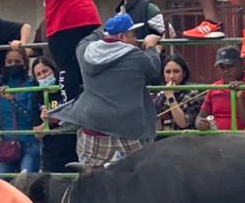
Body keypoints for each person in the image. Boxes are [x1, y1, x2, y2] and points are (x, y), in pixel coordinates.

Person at [28, 0, 102, 175]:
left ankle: (70, 114)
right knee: (85, 68)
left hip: (66, 18)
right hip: (86, 15)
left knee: (65, 70)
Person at [48, 13, 162, 169]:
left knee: (91, 180)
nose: (136, 39)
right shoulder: (136, 57)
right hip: (128, 130)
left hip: (92, 127)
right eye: (133, 34)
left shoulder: (85, 52)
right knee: (139, 176)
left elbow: (85, 40)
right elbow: (154, 68)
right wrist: (150, 46)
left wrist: (102, 31)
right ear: (122, 36)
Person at [0, 46, 42, 174]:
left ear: (25, 64)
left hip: (30, 144)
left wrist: (13, 100)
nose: (13, 65)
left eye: (17, 62)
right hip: (8, 144)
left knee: (25, 181)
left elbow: (31, 116)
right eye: (10, 62)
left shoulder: (31, 84)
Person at [197, 46, 245, 131]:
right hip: (217, 138)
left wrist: (239, 98)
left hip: (243, 139)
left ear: (242, 64)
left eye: (230, 66)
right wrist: (200, 123)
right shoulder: (214, 88)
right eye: (222, 67)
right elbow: (200, 117)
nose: (226, 71)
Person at [154, 54, 204, 133]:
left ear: (184, 73)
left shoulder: (192, 93)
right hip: (163, 140)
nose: (172, 76)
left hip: (184, 140)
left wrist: (170, 97)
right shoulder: (160, 95)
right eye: (168, 72)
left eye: (176, 71)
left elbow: (183, 123)